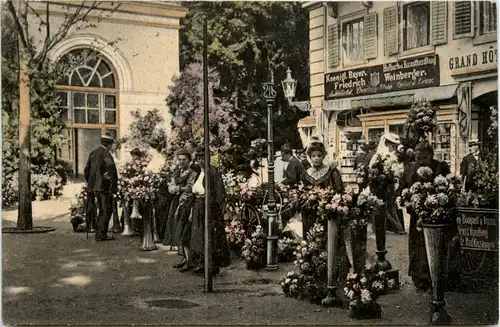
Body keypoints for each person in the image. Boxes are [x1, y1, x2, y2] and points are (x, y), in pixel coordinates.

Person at [406, 141, 451, 291]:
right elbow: (407, 187)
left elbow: (447, 187)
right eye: (418, 158)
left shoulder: (440, 166)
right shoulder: (413, 168)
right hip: (417, 213)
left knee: (433, 245)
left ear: (430, 155)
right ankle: (420, 276)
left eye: (423, 158)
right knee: (417, 244)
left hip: (434, 214)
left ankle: (435, 277)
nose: (420, 162)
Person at [188, 146, 229, 274]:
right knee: (198, 236)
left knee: (209, 235)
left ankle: (210, 264)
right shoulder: (199, 173)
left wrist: (215, 206)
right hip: (197, 206)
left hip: (208, 207)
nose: (201, 161)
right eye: (198, 158)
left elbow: (219, 192)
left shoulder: (213, 172)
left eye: (203, 158)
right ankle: (199, 262)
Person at [301, 139, 343, 237]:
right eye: (313, 156)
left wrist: (328, 197)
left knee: (327, 235)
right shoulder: (306, 173)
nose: (316, 158)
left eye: (319, 156)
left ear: (323, 156)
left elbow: (339, 189)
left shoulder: (331, 171)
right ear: (310, 158)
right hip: (311, 211)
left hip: (327, 210)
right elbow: (304, 190)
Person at [163, 149, 198, 269]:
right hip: (176, 202)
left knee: (184, 230)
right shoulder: (177, 172)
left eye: (184, 159)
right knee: (178, 229)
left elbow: (190, 188)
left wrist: (177, 189)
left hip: (186, 203)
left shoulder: (192, 173)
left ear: (189, 161)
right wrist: (172, 188)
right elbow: (171, 185)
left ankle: (189, 260)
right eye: (180, 159)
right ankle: (184, 258)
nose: (182, 162)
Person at [369, 133, 406, 234]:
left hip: (391, 184)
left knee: (390, 205)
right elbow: (372, 169)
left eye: (394, 145)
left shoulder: (394, 156)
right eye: (392, 145)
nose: (394, 148)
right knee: (382, 206)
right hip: (381, 185)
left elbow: (398, 170)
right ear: (386, 144)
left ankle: (394, 226)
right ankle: (392, 227)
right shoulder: (378, 156)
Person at [84, 134, 118, 242]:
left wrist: (90, 182)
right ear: (108, 144)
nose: (112, 146)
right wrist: (113, 183)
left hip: (93, 187)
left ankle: (98, 230)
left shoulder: (93, 153)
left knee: (98, 208)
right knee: (106, 210)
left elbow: (86, 170)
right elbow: (112, 169)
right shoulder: (106, 154)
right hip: (104, 187)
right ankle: (101, 234)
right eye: (112, 144)